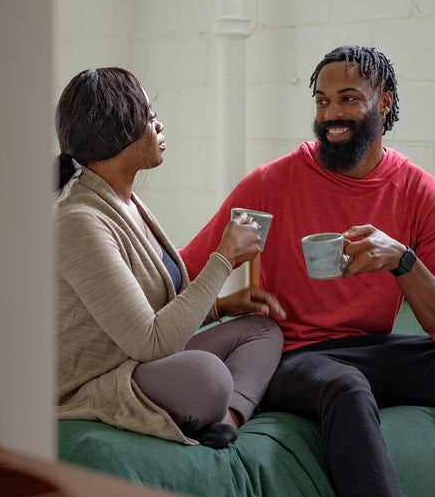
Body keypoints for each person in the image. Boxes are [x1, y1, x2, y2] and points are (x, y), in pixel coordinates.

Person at [179, 46, 435, 497]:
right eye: (321, 101)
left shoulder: (423, 196)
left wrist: (402, 261)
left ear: (383, 103)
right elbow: (184, 269)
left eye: (346, 99)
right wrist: (218, 304)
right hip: (293, 355)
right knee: (346, 386)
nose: (330, 115)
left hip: (375, 350)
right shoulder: (272, 183)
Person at [54, 67, 285, 449]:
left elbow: (153, 319)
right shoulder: (81, 223)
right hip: (101, 380)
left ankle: (225, 421)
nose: (158, 126)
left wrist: (222, 307)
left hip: (140, 363)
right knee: (207, 377)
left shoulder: (125, 202)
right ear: (118, 130)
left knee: (262, 331)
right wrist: (223, 258)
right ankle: (212, 410)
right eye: (149, 116)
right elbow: (151, 343)